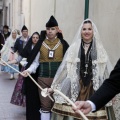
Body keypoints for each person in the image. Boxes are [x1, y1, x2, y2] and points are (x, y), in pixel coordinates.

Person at [47, 19, 115, 120]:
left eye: (89, 29)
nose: (86, 31)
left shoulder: (100, 49)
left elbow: (105, 72)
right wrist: (54, 87)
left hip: (94, 89)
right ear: (81, 31)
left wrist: (110, 92)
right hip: (74, 87)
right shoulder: (74, 48)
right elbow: (64, 69)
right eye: (84, 29)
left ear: (93, 31)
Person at [22, 15, 69, 120]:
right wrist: (28, 70)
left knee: (57, 106)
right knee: (45, 106)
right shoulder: (40, 44)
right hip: (42, 80)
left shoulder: (63, 44)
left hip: (59, 81)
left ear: (57, 30)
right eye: (48, 29)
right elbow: (35, 63)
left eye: (53, 29)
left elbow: (67, 65)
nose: (50, 31)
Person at [9, 32, 41, 120]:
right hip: (27, 74)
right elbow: (18, 58)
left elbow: (37, 62)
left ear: (39, 39)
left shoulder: (40, 48)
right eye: (33, 37)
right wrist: (8, 63)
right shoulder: (28, 47)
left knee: (36, 95)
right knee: (29, 94)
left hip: (36, 74)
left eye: (37, 37)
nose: (35, 39)